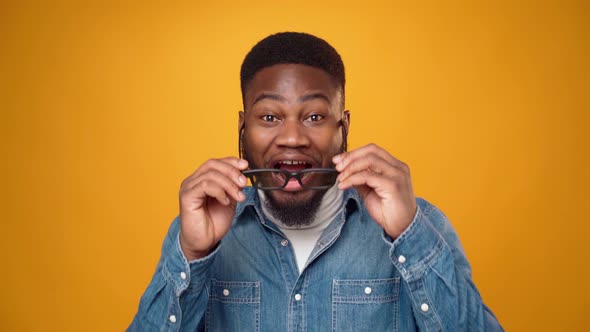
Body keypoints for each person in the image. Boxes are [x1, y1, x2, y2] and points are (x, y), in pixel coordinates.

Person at [128, 32, 503, 331]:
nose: (293, 137)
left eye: (314, 117)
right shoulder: (197, 233)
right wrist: (191, 258)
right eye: (270, 117)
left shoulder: (419, 226)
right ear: (243, 128)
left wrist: (410, 234)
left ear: (344, 128)